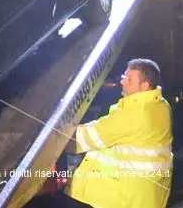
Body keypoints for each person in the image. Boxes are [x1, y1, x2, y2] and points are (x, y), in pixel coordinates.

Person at [63, 58, 174, 208]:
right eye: (123, 75)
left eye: (129, 79)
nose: (122, 81)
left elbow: (84, 139)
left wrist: (55, 139)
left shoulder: (136, 113)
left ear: (145, 86)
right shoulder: (161, 105)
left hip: (120, 199)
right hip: (145, 196)